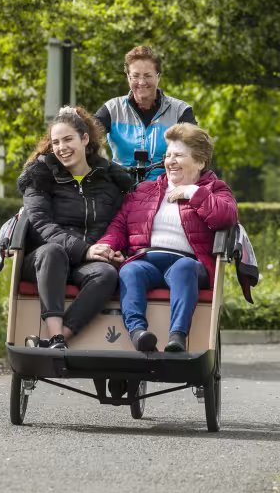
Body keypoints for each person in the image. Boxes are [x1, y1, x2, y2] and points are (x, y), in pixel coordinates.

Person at [92, 123, 237, 352]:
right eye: (168, 155)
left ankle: (177, 337)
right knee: (130, 271)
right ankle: (138, 333)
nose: (170, 161)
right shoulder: (145, 190)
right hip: (146, 260)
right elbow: (119, 225)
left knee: (183, 268)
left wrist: (193, 193)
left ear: (199, 161)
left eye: (179, 155)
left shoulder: (214, 190)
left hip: (187, 264)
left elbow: (226, 217)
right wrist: (105, 245)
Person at [16, 106, 132, 350]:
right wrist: (85, 250)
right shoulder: (40, 176)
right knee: (52, 251)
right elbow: (41, 224)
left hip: (83, 264)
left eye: (68, 139)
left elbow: (119, 224)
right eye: (56, 142)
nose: (61, 147)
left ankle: (60, 340)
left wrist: (113, 250)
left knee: (107, 274)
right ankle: (55, 333)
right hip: (43, 261)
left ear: (85, 139)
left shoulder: (109, 184)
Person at [93, 45, 197, 180]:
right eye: (135, 76)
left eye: (148, 76)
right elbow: (86, 137)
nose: (142, 82)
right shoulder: (112, 109)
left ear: (158, 76)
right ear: (128, 77)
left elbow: (198, 150)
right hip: (121, 189)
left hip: (166, 190)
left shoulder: (181, 111)